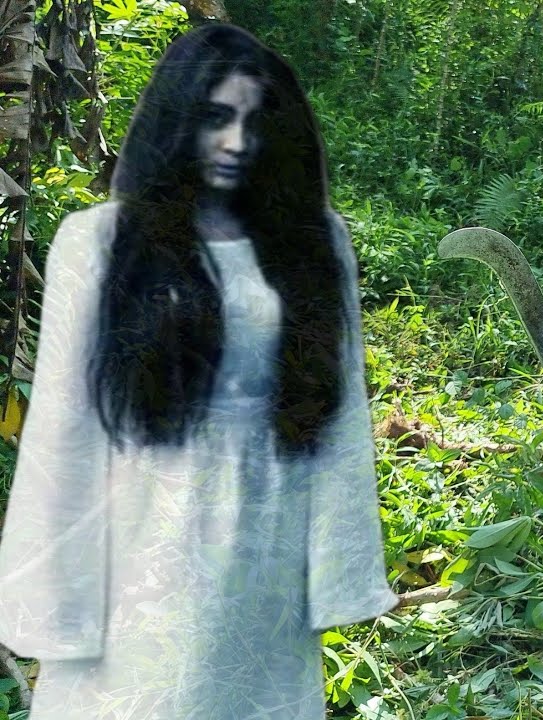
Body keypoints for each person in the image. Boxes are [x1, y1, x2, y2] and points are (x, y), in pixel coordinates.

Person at [0, 23, 397, 720]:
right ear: (178, 118)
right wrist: (52, 601)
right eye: (216, 117)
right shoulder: (98, 242)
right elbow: (62, 433)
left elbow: (340, 420)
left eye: (255, 122)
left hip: (269, 544)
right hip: (138, 543)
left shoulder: (313, 243)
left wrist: (340, 568)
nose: (237, 142)